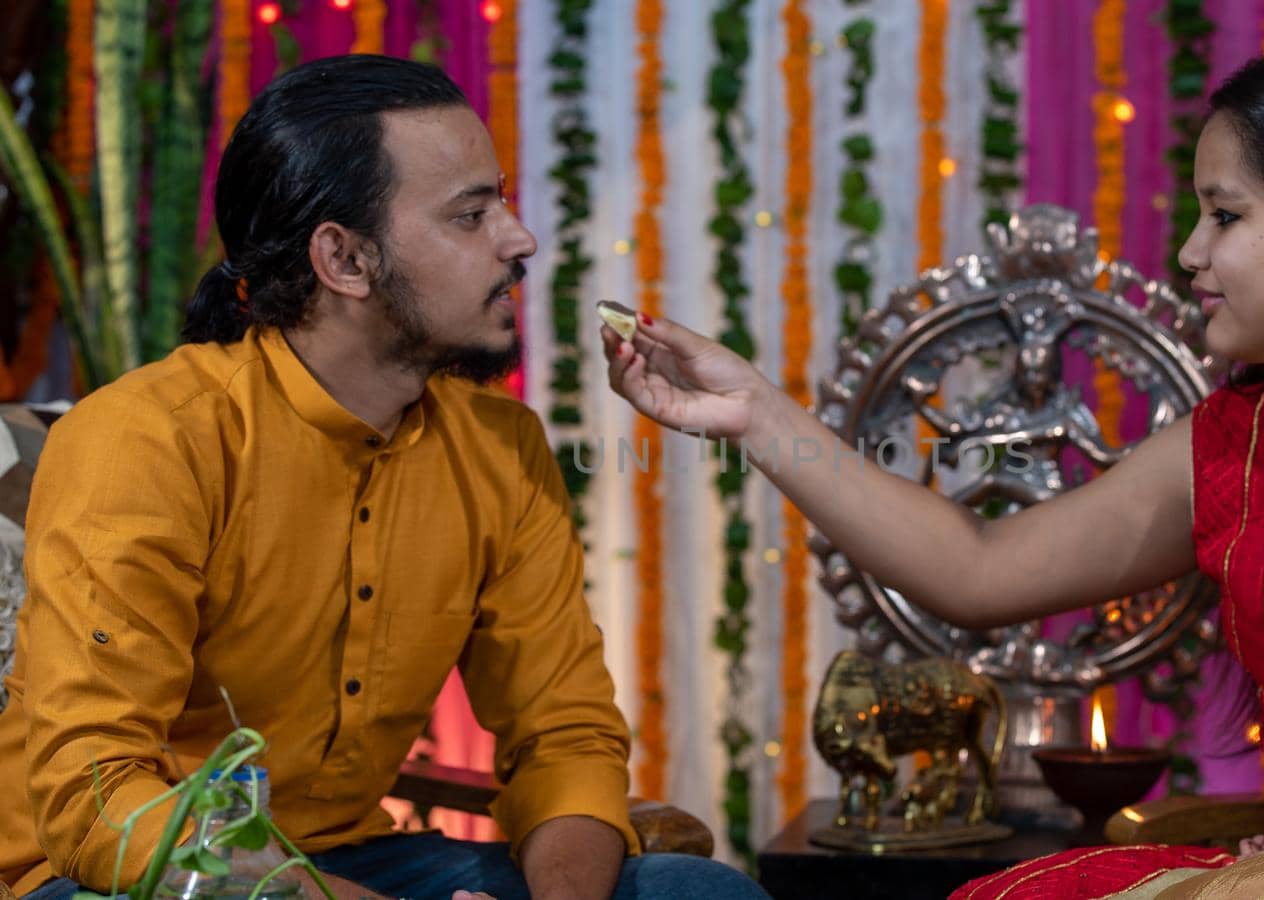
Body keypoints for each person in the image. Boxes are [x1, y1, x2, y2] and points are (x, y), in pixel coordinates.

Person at [603, 44, 1264, 898]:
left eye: (1225, 216)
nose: (1187, 251)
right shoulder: (1237, 441)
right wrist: (757, 416)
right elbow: (979, 570)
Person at [0, 55, 766, 900]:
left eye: (500, 202)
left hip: (361, 859)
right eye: (471, 214)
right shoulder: (151, 440)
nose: (519, 239)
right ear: (345, 260)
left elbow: (563, 736)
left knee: (695, 892)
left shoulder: (501, 448)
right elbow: (96, 795)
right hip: (136, 872)